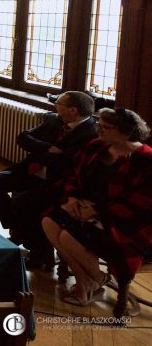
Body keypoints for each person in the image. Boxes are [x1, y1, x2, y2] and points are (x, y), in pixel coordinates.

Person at [42, 108, 151, 308]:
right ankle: (94, 279)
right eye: (99, 124)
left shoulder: (145, 158)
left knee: (67, 236)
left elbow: (142, 202)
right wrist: (72, 197)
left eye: (107, 127)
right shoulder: (96, 146)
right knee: (49, 222)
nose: (99, 130)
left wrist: (98, 210)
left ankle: (88, 284)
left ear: (126, 132)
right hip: (87, 207)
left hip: (125, 221)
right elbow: (73, 174)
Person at [0, 91, 97, 263]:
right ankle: (19, 230)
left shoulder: (90, 133)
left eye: (59, 104)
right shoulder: (55, 120)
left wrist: (39, 151)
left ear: (73, 110)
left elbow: (65, 163)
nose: (55, 106)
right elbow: (23, 137)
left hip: (58, 183)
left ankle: (39, 252)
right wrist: (47, 148)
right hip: (32, 171)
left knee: (22, 202)